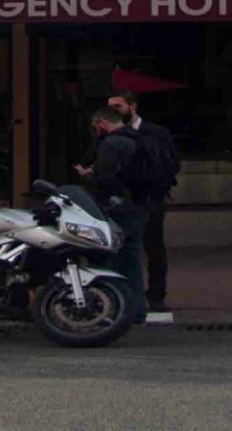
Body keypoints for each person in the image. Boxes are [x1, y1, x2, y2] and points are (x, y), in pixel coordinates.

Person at [75, 105, 148, 321]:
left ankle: (113, 307)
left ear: (102, 123)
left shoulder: (111, 143)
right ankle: (136, 310)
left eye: (94, 127)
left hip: (117, 208)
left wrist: (88, 175)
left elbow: (104, 180)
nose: (94, 131)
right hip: (139, 206)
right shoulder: (139, 139)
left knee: (108, 258)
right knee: (132, 258)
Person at [108, 90, 179, 311]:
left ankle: (156, 295)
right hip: (120, 200)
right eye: (110, 107)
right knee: (119, 248)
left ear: (133, 106)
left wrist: (156, 187)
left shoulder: (157, 133)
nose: (114, 112)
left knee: (153, 247)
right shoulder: (108, 133)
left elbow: (172, 164)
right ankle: (123, 295)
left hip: (150, 199)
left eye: (118, 106)